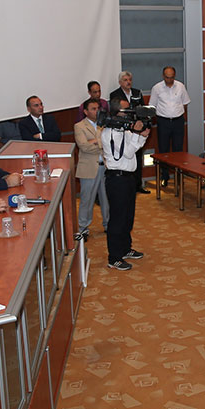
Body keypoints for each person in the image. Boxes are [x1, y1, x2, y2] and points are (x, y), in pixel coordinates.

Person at [101, 109, 150, 270]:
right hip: (117, 179)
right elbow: (128, 153)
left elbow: (135, 147)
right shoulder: (110, 133)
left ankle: (125, 249)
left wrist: (142, 135)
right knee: (117, 219)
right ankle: (114, 258)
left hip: (128, 178)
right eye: (124, 115)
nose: (128, 118)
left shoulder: (123, 130)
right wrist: (136, 133)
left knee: (128, 217)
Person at [73, 98, 110, 238]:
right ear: (85, 111)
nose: (97, 111)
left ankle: (108, 224)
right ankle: (83, 228)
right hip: (88, 168)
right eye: (93, 109)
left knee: (107, 199)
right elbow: (84, 146)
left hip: (105, 167)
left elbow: (110, 143)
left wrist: (95, 142)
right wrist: (102, 143)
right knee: (86, 200)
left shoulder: (104, 125)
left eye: (98, 108)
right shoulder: (79, 126)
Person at [150, 66, 190, 186]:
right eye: (167, 77)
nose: (169, 80)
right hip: (163, 121)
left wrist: (178, 115)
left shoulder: (180, 86)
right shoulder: (156, 88)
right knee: (164, 150)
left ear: (174, 76)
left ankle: (178, 177)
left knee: (178, 150)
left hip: (178, 121)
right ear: (163, 76)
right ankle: (165, 176)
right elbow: (152, 106)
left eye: (171, 77)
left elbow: (185, 103)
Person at [109, 70, 148, 194]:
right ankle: (129, 184)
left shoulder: (137, 92)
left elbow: (143, 109)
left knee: (138, 156)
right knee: (127, 154)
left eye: (130, 80)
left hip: (137, 126)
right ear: (120, 82)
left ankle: (138, 185)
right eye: (125, 80)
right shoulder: (114, 94)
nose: (128, 82)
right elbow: (115, 112)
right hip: (123, 128)